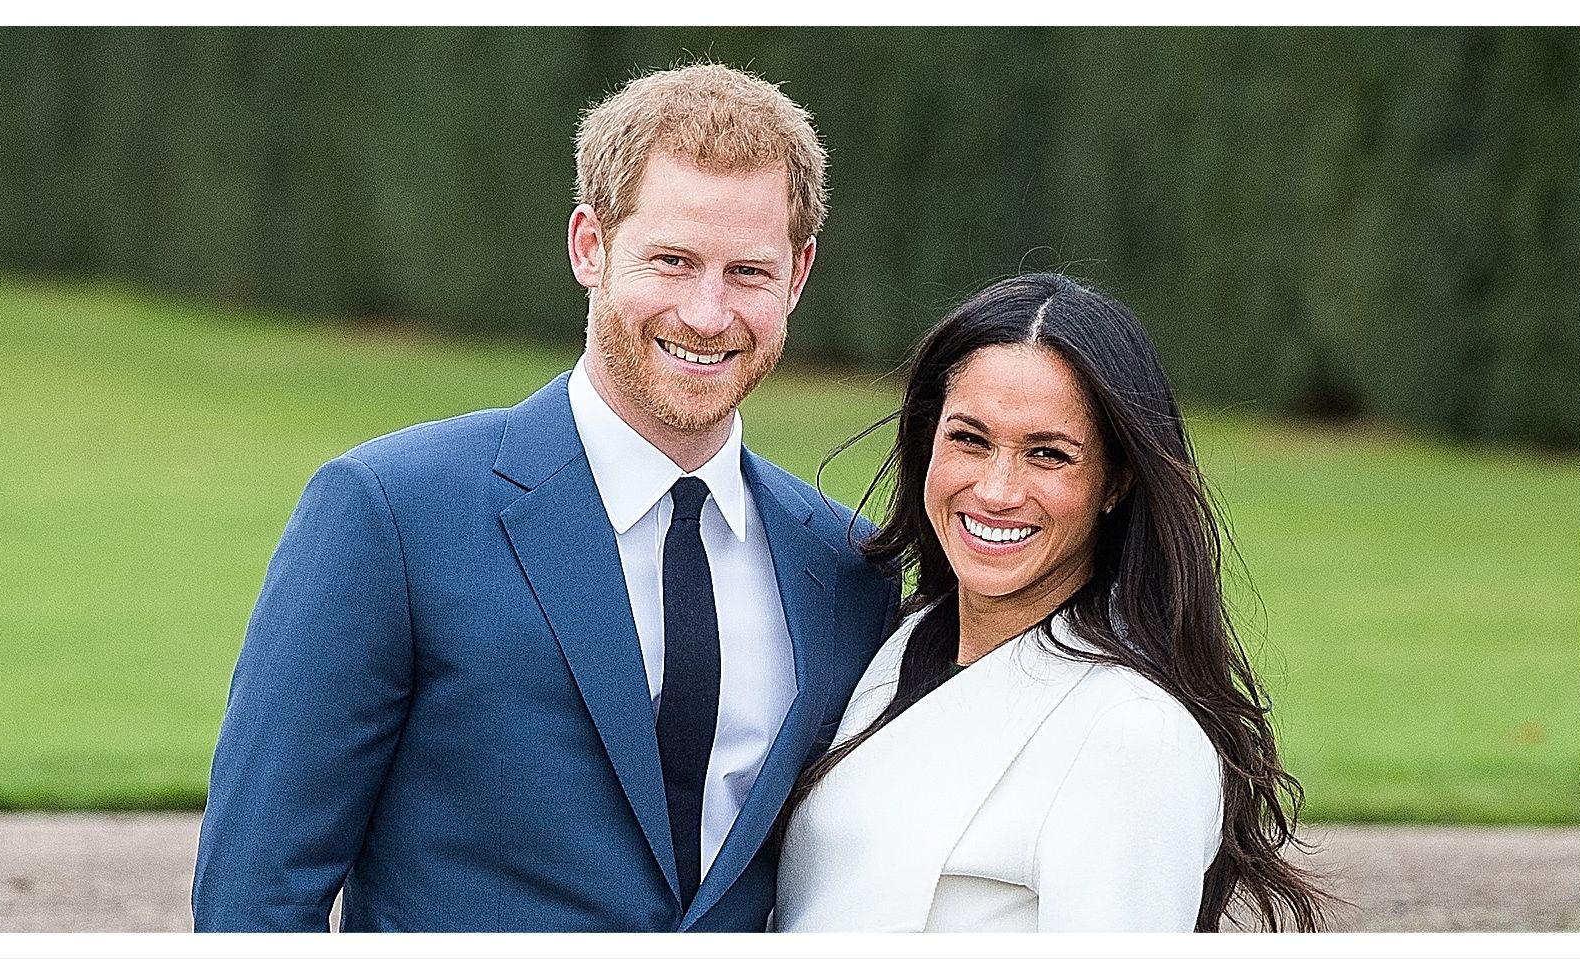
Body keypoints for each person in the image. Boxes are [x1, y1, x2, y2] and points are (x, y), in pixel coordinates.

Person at [191, 62, 900, 933]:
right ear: (589, 247)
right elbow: (255, 895)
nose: (709, 313)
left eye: (748, 272)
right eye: (671, 260)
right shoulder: (391, 514)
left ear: (798, 277)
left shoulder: (849, 566)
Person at [774, 273, 1332, 932]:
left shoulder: (1132, 732)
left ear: (1115, 480)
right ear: (929, 440)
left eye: (1048, 454)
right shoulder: (891, 641)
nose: (998, 489)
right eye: (970, 439)